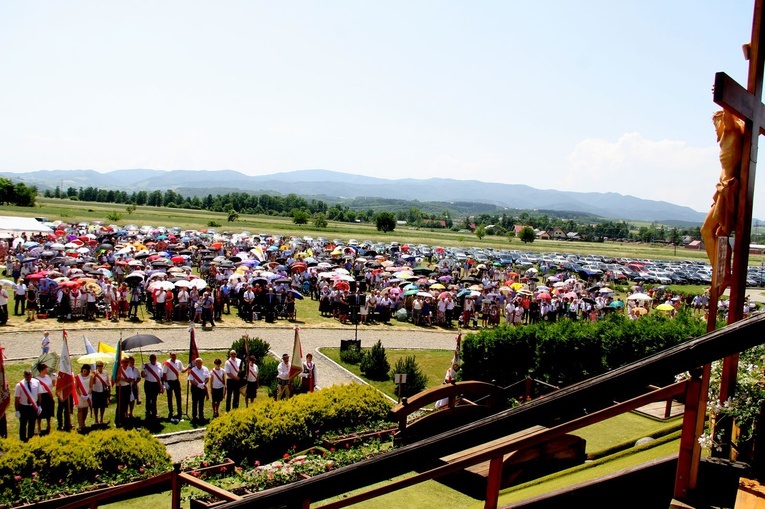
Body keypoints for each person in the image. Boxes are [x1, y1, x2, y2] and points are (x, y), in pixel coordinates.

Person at [14, 370, 40, 442]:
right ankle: (22, 439)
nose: (29, 378)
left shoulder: (36, 382)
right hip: (23, 407)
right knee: (23, 424)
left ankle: (30, 438)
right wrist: (17, 410)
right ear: (24, 376)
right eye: (27, 377)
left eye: (30, 376)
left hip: (33, 407)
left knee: (32, 423)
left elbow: (39, 395)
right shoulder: (19, 385)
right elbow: (16, 399)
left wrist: (39, 406)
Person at [162, 352, 188, 422]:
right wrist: (165, 383)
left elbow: (182, 370)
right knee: (169, 397)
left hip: (176, 381)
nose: (174, 357)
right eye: (172, 356)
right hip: (169, 382)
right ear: (170, 356)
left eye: (175, 355)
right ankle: (171, 412)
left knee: (178, 397)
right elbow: (164, 373)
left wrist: (188, 367)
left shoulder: (178, 362)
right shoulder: (167, 363)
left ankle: (179, 411)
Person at [187, 357, 210, 424]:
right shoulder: (193, 370)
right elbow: (191, 380)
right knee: (195, 402)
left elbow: (207, 378)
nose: (199, 363)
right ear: (195, 363)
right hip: (195, 388)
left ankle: (201, 416)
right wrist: (198, 385)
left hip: (202, 388)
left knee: (201, 403)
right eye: (198, 362)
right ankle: (194, 417)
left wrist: (204, 383)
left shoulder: (205, 369)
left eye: (200, 362)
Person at [141, 353, 164, 420]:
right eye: (152, 359)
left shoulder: (159, 365)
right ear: (150, 359)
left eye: (154, 358)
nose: (153, 360)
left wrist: (162, 385)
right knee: (148, 399)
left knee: (154, 399)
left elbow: (161, 375)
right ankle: (148, 412)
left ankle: (154, 412)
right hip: (148, 384)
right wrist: (143, 373)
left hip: (156, 384)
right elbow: (143, 375)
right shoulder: (146, 365)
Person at [35, 363, 55, 435]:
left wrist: (53, 379)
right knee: (39, 414)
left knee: (48, 412)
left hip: (48, 395)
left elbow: (52, 385)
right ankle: (39, 427)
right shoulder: (37, 379)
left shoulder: (48, 377)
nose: (46, 370)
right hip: (41, 396)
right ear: (41, 370)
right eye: (45, 369)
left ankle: (48, 425)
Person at [90, 361, 111, 426]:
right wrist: (95, 377)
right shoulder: (94, 373)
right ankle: (96, 420)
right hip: (96, 391)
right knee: (96, 406)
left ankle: (101, 419)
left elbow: (107, 381)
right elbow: (92, 383)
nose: (100, 367)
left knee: (103, 406)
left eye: (101, 366)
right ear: (97, 367)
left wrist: (109, 389)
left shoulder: (105, 372)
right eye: (98, 366)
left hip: (103, 390)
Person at [74, 363, 92, 433]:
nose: (84, 372)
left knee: (85, 409)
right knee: (80, 409)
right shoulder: (78, 377)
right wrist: (81, 395)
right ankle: (80, 424)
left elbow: (91, 386)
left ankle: (84, 423)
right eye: (83, 370)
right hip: (80, 395)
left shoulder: (90, 377)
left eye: (86, 371)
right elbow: (76, 387)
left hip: (87, 395)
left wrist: (88, 394)